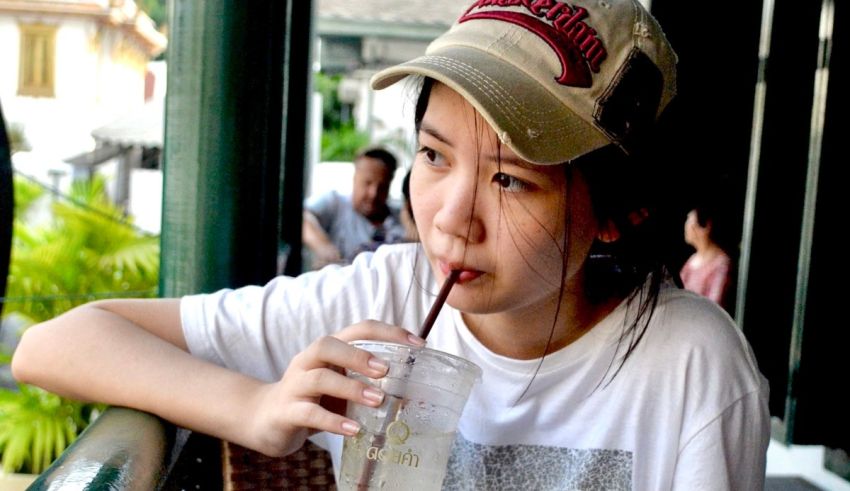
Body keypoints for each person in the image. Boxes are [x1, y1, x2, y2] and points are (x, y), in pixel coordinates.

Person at [12, 0, 770, 488]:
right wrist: (257, 405)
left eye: (511, 181)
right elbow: (53, 344)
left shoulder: (692, 367)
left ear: (618, 211)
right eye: (436, 156)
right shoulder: (384, 296)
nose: (449, 218)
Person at [302, 147, 407, 268]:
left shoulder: (402, 218)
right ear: (355, 178)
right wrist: (323, 246)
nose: (373, 193)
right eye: (367, 183)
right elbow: (303, 217)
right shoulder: (335, 203)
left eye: (382, 187)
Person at [680, 207, 735, 313]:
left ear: (705, 228)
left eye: (690, 221)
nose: (686, 226)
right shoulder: (692, 260)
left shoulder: (721, 264)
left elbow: (715, 304)